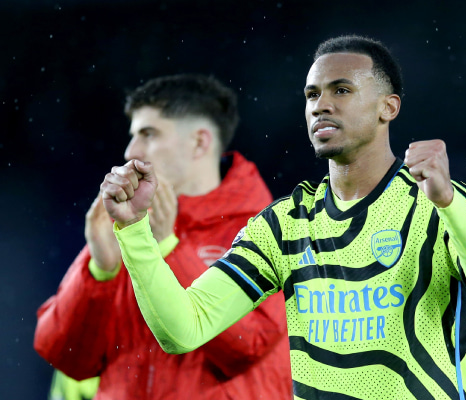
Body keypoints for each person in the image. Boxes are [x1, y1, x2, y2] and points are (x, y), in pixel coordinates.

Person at [100, 36, 466, 399]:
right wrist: (134, 231)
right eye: (312, 95)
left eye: (341, 90)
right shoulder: (284, 225)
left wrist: (449, 204)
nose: (320, 105)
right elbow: (183, 329)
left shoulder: (439, 204)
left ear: (388, 107)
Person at [34, 74, 292, 400]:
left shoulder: (268, 231)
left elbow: (247, 347)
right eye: (133, 136)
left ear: (199, 143)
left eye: (148, 134)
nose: (130, 151)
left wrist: (168, 248)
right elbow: (67, 358)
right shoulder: (127, 227)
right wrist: (99, 271)